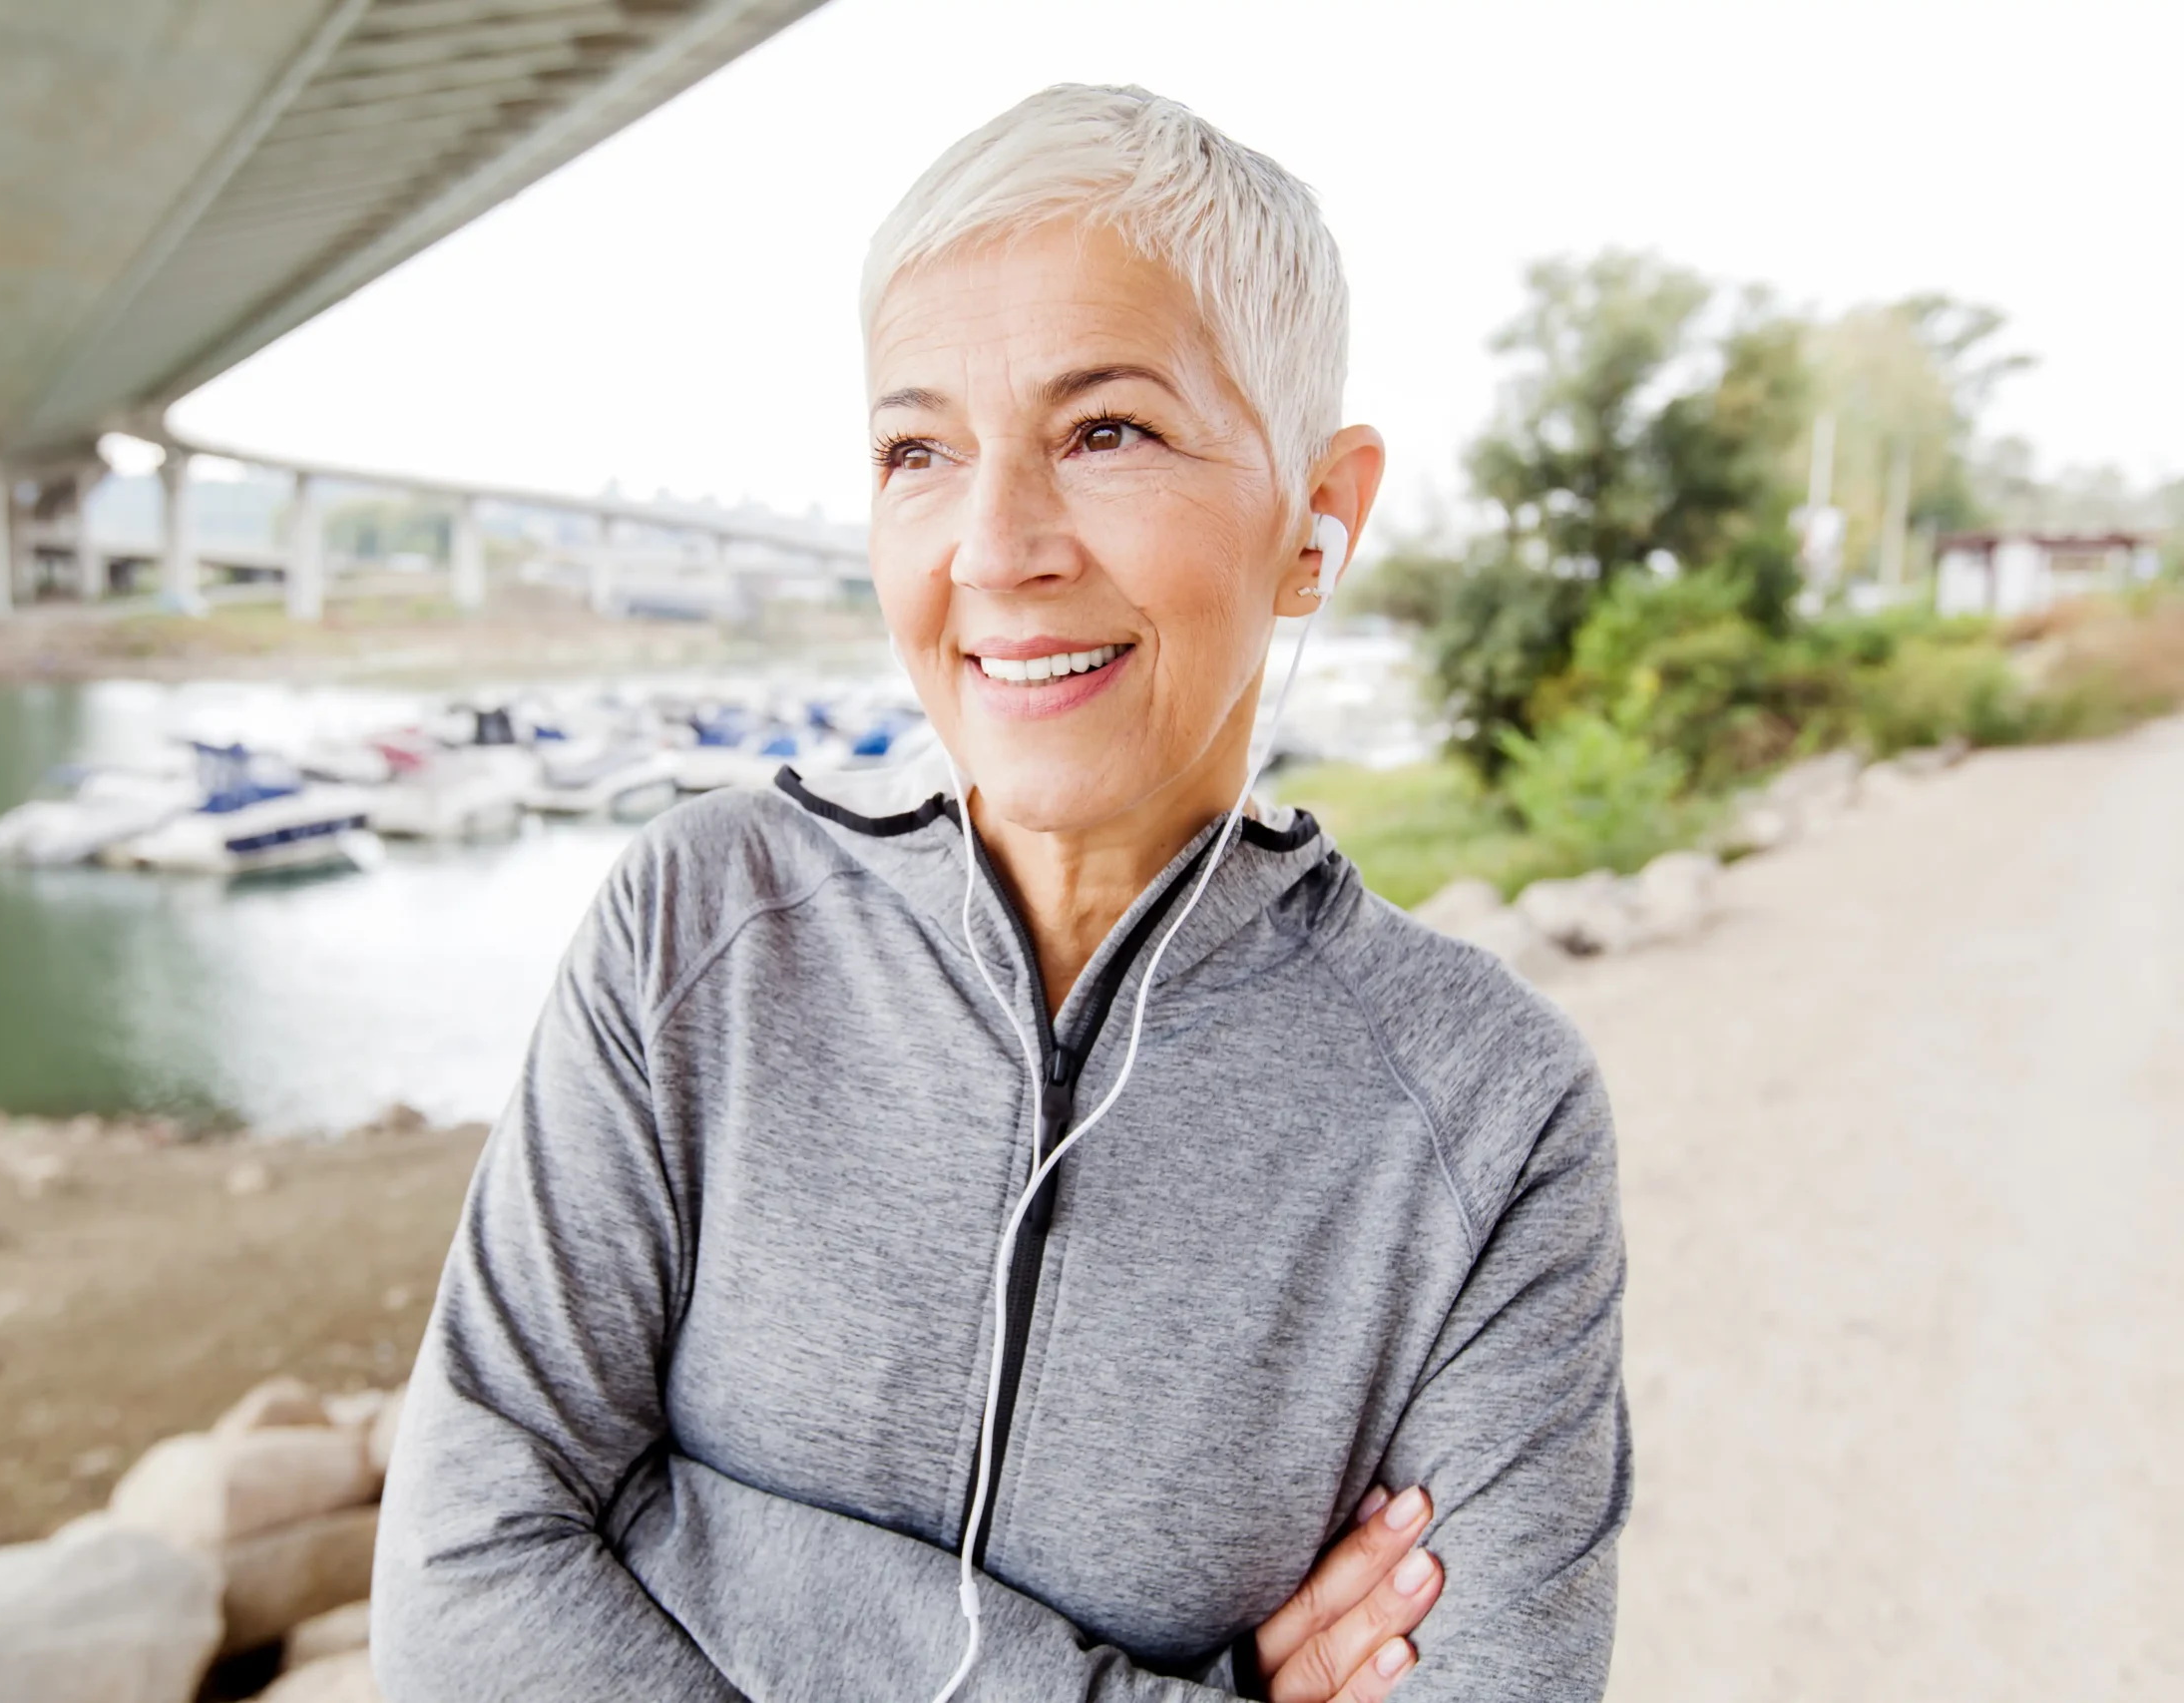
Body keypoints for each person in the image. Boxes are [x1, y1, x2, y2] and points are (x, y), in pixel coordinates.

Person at [371, 84, 1628, 1702]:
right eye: (918, 449)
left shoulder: (1487, 1114)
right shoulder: (699, 928)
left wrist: (677, 1527)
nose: (994, 545)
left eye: (1106, 431)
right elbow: (459, 1600)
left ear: (1321, 518)